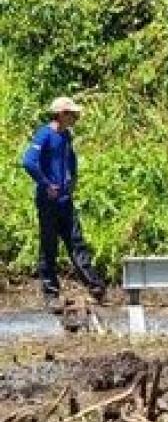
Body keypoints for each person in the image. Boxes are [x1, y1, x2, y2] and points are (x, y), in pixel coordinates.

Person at [21, 97, 107, 313]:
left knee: (76, 242)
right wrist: (46, 184)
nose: (75, 118)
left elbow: (71, 158)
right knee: (49, 247)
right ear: (61, 114)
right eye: (72, 114)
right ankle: (51, 294)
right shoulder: (44, 134)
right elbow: (28, 161)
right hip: (48, 201)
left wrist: (73, 179)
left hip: (65, 200)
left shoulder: (66, 135)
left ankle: (95, 287)